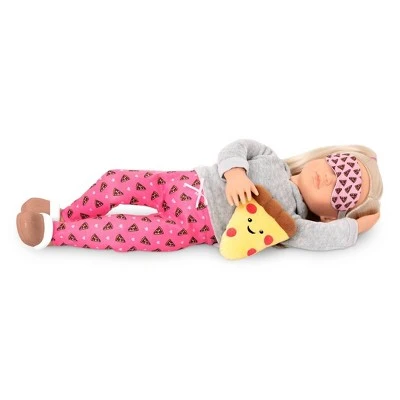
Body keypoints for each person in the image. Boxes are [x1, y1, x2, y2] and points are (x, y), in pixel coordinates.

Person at [16, 139, 382, 252]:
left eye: (345, 189)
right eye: (339, 165)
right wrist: (235, 172)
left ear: (332, 215)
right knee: (116, 179)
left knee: (130, 231)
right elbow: (237, 147)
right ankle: (67, 212)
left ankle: (53, 233)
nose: (331, 177)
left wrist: (357, 227)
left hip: (193, 228)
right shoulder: (271, 158)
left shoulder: (291, 223)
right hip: (185, 183)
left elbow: (320, 238)